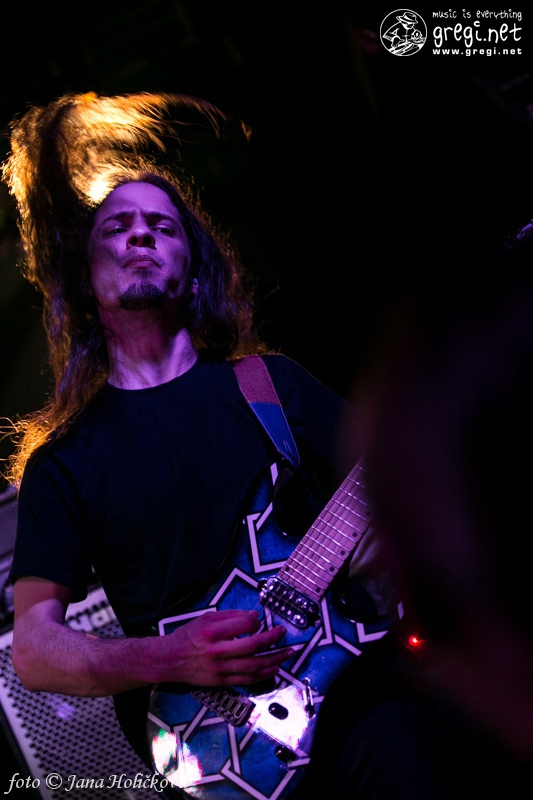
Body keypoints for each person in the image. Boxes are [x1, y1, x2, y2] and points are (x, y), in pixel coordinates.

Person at [2, 91, 407, 799]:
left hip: (360, 706)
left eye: (162, 227)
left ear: (192, 270)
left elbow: (403, 479)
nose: (141, 235)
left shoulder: (269, 385)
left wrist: (391, 539)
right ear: (86, 280)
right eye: (118, 227)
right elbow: (35, 651)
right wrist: (168, 656)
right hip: (213, 748)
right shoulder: (63, 461)